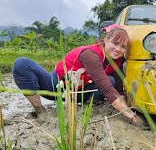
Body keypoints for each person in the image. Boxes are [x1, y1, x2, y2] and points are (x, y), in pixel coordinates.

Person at [12, 24, 144, 126]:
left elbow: (118, 89)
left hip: (81, 92)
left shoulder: (117, 61)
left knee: (112, 81)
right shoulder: (91, 55)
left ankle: (86, 108)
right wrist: (131, 116)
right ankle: (40, 111)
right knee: (22, 64)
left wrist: (127, 109)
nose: (118, 49)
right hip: (58, 86)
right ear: (106, 40)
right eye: (115, 44)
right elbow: (106, 89)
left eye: (123, 47)